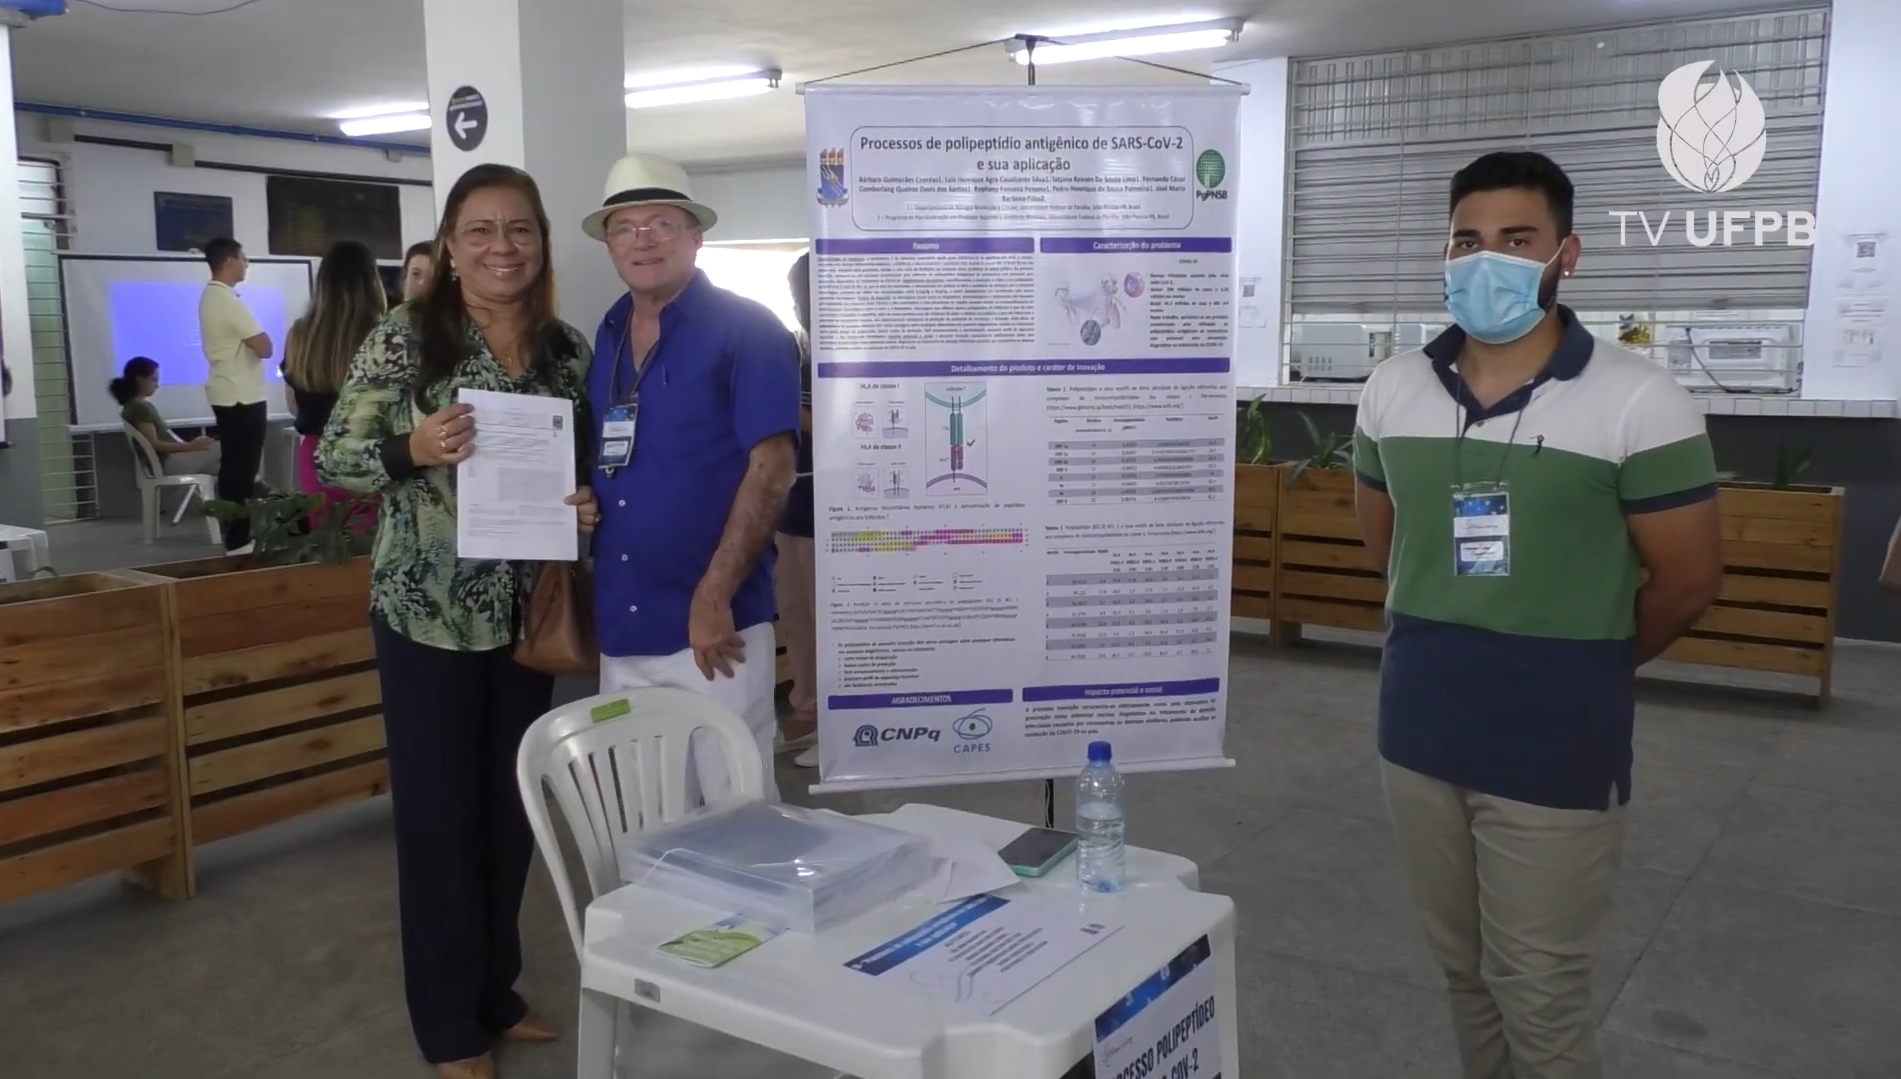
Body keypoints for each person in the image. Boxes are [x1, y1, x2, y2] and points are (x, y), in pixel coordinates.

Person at [1352, 150, 1724, 1079]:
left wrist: (1585, 656)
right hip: (1419, 726)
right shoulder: (1392, 389)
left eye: (1517, 240)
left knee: (1540, 990)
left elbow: (1685, 581)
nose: (1488, 261)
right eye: (1466, 240)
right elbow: (1387, 545)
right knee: (1464, 972)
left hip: (1555, 740)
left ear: (1567, 255)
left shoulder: (1639, 398)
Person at [317, 163, 600, 1079]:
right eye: (479, 230)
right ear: (449, 243)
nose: (500, 248)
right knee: (441, 821)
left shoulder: (564, 351)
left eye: (518, 229)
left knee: (510, 812)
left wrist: (583, 506)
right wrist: (412, 445)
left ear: (541, 241)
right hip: (426, 614)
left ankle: (496, 989)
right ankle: (448, 1026)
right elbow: (336, 459)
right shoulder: (406, 339)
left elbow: (581, 469)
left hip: (525, 614)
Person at [582, 153, 799, 803]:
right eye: (626, 227)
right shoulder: (610, 332)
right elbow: (620, 457)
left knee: (737, 824)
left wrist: (712, 594)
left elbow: (773, 467)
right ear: (609, 244)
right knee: (642, 821)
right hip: (622, 628)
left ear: (695, 236)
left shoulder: (748, 329)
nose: (643, 239)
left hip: (713, 628)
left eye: (661, 223)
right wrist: (584, 503)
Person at [284, 240, 384, 531]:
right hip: (372, 453)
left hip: (317, 455)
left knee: (330, 550)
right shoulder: (384, 334)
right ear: (371, 282)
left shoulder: (299, 334)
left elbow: (293, 404)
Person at [198, 237, 273, 553]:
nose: (246, 265)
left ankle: (236, 535)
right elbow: (265, 346)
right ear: (230, 260)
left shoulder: (210, 297)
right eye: (244, 259)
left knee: (234, 468)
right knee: (242, 470)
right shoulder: (228, 301)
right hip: (242, 396)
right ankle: (238, 538)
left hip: (227, 392)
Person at [779, 252, 819, 768]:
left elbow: (840, 427)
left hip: (824, 506)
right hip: (786, 501)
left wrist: (784, 404)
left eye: (803, 296)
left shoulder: (849, 352)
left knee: (823, 616)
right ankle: (805, 708)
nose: (798, 307)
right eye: (794, 299)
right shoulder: (798, 352)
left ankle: (835, 724)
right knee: (793, 613)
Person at [110, 356, 220, 476]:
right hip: (170, 462)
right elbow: (154, 444)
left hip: (170, 462)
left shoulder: (132, 406)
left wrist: (193, 445)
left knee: (228, 465)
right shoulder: (139, 407)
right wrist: (191, 446)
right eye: (154, 380)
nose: (157, 385)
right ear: (139, 379)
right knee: (232, 443)